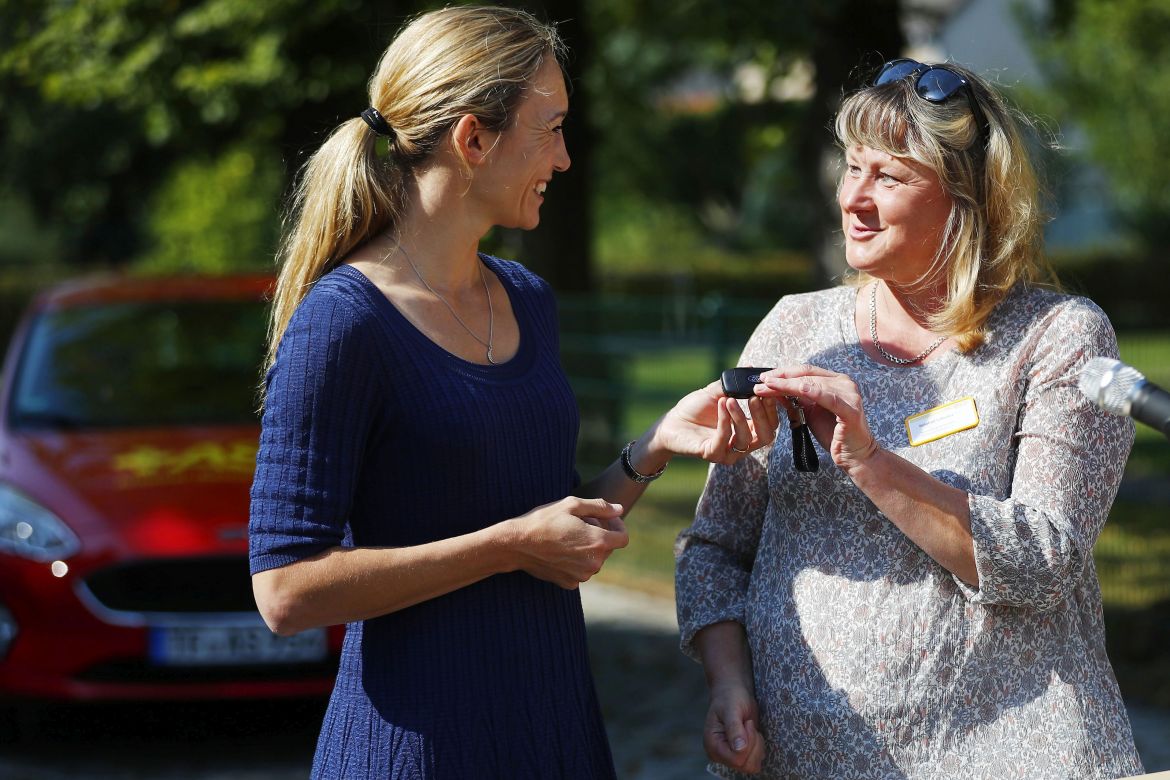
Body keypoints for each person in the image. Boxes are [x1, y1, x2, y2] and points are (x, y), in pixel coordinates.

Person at [247, 6, 778, 779]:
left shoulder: (527, 297)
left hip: (555, 735)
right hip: (419, 751)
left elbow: (546, 524)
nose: (565, 158)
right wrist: (506, 547)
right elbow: (285, 590)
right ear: (473, 139)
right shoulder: (342, 323)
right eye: (551, 127)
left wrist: (652, 448)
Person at [675, 58, 1144, 779]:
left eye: (889, 178)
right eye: (851, 167)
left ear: (966, 199)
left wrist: (870, 460)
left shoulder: (1055, 335)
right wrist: (729, 682)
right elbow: (714, 547)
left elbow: (1044, 561)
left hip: (1003, 756)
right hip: (801, 762)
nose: (854, 199)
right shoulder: (796, 326)